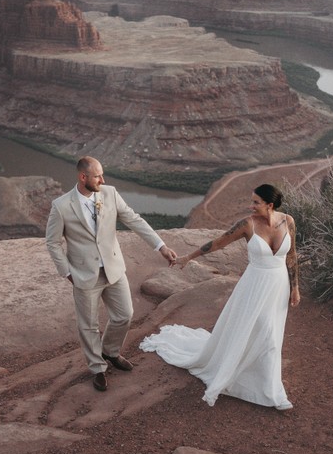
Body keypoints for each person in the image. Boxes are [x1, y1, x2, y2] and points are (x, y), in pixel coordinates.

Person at [139, 183, 300, 410]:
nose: (250, 205)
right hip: (254, 285)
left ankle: (269, 387)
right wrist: (188, 257)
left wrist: (295, 287)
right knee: (260, 329)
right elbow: (218, 243)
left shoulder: (288, 221)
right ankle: (259, 384)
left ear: (270, 205)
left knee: (272, 333)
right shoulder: (247, 225)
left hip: (279, 285)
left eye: (256, 202)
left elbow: (291, 256)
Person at [45, 156, 177, 392]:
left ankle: (110, 351)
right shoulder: (61, 206)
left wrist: (161, 246)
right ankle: (98, 368)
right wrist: (66, 272)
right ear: (82, 177)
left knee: (125, 314)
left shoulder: (110, 193)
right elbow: (52, 243)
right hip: (84, 275)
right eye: (97, 176)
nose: (102, 179)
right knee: (89, 325)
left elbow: (134, 220)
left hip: (114, 269)